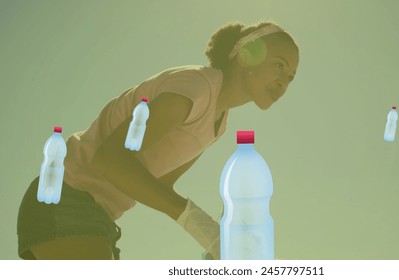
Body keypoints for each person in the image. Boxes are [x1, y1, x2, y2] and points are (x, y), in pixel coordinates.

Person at [17, 21, 299, 260]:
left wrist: (218, 235)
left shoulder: (218, 123)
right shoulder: (195, 88)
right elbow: (109, 160)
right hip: (65, 198)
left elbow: (160, 183)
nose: (284, 82)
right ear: (246, 55)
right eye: (278, 65)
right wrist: (206, 230)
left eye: (290, 77)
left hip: (98, 217)